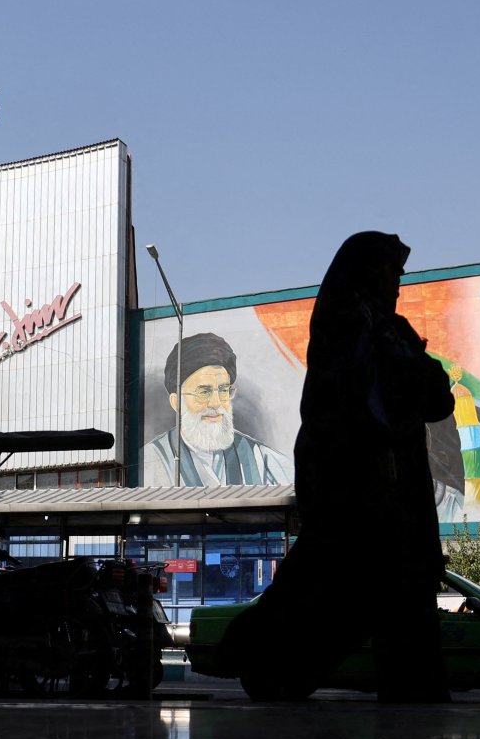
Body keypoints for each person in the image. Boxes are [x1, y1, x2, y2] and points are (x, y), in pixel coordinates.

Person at [224, 231, 455, 703]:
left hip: (396, 493)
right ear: (367, 271)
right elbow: (380, 394)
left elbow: (436, 395)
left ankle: (410, 706)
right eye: (391, 271)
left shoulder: (394, 330)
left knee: (397, 599)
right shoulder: (347, 322)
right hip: (352, 488)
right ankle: (264, 658)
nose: (397, 283)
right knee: (338, 586)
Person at [142, 332, 294, 486]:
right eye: (204, 392)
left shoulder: (265, 461)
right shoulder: (148, 462)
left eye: (223, 390)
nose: (216, 403)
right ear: (176, 402)